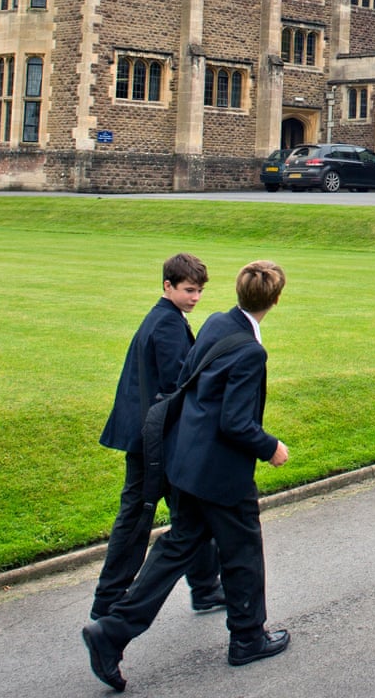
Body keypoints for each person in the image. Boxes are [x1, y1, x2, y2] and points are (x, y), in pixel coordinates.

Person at [83, 261, 292, 692]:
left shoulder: (217, 322)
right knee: (243, 550)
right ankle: (248, 638)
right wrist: (270, 447)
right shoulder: (251, 351)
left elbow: (188, 383)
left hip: (184, 461)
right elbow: (236, 422)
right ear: (275, 300)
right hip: (218, 472)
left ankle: (111, 631)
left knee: (178, 546)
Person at [90, 253, 224, 621]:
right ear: (168, 286)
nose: (196, 298)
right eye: (189, 290)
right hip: (154, 441)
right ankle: (109, 599)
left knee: (187, 515)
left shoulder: (164, 318)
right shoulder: (166, 325)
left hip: (148, 435)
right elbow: (176, 385)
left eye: (199, 291)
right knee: (142, 518)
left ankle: (205, 587)